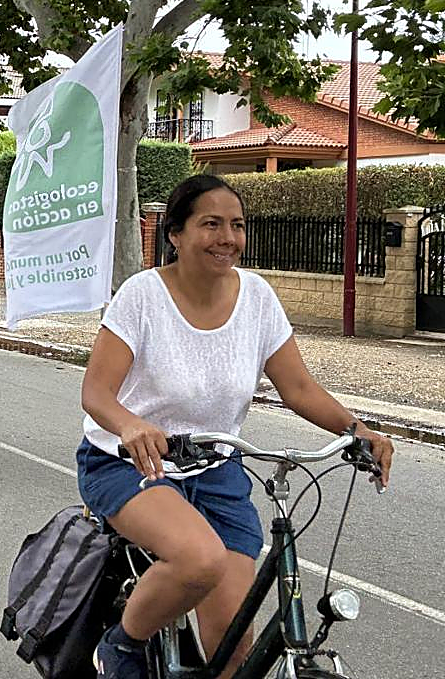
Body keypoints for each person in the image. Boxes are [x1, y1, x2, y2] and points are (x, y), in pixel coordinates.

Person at [78, 174, 394, 679]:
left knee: (234, 643)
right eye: (211, 224)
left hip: (216, 467)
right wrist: (131, 424)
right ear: (176, 234)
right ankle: (121, 645)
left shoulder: (258, 299)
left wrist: (359, 430)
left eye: (237, 225)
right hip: (132, 463)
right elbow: (96, 393)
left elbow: (299, 389)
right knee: (199, 560)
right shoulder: (142, 296)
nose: (227, 237)